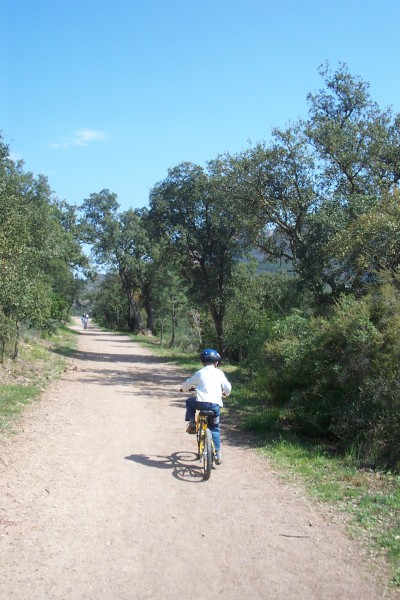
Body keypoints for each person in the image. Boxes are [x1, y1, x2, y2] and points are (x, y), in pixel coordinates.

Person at [180, 348, 232, 465]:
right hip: (214, 406)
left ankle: (192, 423)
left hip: (201, 403)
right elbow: (227, 387)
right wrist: (225, 394)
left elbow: (188, 383)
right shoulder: (219, 373)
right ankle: (218, 454)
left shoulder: (200, 373)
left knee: (189, 401)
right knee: (215, 428)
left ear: (203, 362)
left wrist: (184, 389)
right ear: (216, 362)